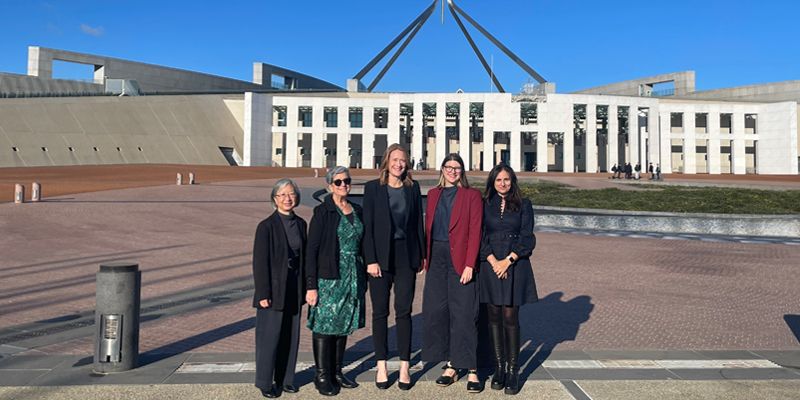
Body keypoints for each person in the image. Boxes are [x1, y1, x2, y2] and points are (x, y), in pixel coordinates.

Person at [362, 144, 425, 390]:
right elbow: (367, 227)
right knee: (380, 312)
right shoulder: (373, 188)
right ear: (387, 161)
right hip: (379, 258)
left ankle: (405, 366)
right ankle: (381, 365)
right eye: (395, 159)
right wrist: (370, 259)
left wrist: (421, 255)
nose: (399, 164)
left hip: (406, 256)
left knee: (403, 311)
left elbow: (418, 223)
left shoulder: (412, 188)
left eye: (403, 160)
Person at [423, 153, 484, 393]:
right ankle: (451, 364)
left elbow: (475, 231)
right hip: (436, 258)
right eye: (449, 167)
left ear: (462, 171)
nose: (453, 171)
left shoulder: (471, 196)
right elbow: (428, 229)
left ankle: (471, 369)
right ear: (442, 169)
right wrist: (424, 257)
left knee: (464, 313)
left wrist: (470, 264)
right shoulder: (433, 195)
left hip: (460, 259)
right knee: (439, 311)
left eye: (457, 167)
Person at [306, 166, 366, 396]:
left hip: (353, 274)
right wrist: (311, 285)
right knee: (325, 324)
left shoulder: (358, 210)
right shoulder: (323, 212)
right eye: (338, 182)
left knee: (343, 324)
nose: (344, 185)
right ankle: (322, 374)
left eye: (346, 181)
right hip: (329, 275)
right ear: (330, 186)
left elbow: (364, 242)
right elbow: (312, 250)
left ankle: (337, 371)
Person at [479, 164, 537, 395]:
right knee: (493, 315)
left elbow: (527, 237)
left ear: (512, 181)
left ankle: (513, 370)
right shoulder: (485, 204)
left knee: (509, 316)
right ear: (492, 182)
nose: (503, 183)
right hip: (491, 264)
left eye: (507, 179)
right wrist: (494, 261)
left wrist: (508, 261)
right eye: (498, 180)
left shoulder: (524, 204)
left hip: (514, 264)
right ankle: (499, 367)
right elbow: (480, 235)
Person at [252, 179, 307, 398]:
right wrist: (263, 292)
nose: (287, 198)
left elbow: (305, 257)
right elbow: (259, 262)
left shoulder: (301, 224)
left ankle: (286, 379)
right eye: (282, 195)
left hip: (294, 285)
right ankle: (265, 382)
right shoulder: (266, 226)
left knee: (290, 335)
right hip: (273, 289)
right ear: (274, 199)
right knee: (270, 336)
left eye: (291, 194)